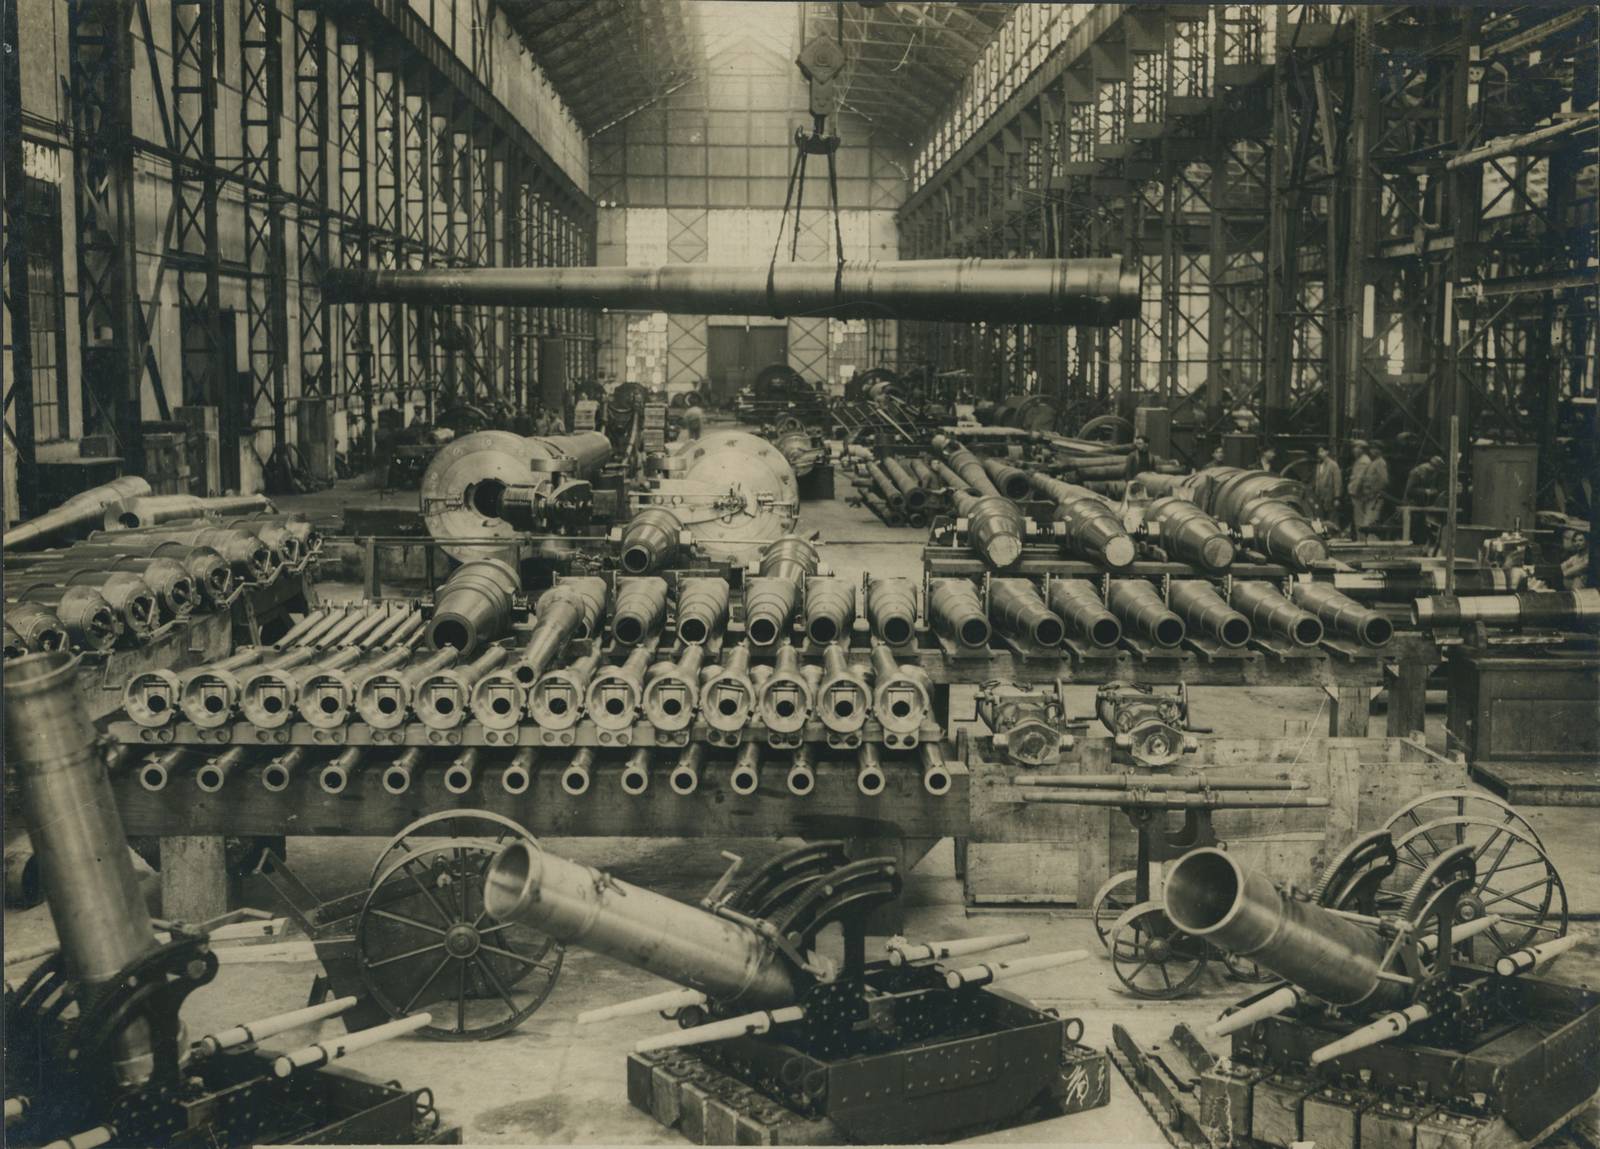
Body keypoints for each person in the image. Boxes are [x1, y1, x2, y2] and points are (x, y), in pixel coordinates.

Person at [1351, 443, 1390, 539]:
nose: (1373, 451)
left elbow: (1384, 480)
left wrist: (1374, 491)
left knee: (1370, 522)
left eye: (1375, 449)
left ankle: (1372, 543)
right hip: (1369, 496)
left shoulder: (1380, 463)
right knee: (1367, 522)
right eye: (1372, 449)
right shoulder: (1374, 462)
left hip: (1375, 497)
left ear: (1380, 451)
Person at [1310, 444, 1342, 525]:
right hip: (1319, 496)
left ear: (1327, 452)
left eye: (1322, 451)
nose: (1319, 454)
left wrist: (1337, 498)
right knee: (1320, 518)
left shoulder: (1333, 465)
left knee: (1331, 518)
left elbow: (1337, 482)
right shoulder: (1318, 465)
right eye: (1318, 452)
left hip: (1330, 497)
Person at [1346, 441, 1371, 539]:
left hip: (1359, 494)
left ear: (1362, 449)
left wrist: (1352, 491)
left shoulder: (1363, 461)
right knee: (1359, 517)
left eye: (1356, 448)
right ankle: (1361, 538)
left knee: (1359, 518)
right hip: (1360, 493)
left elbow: (1359, 478)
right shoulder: (1360, 460)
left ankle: (1362, 539)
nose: (1354, 450)